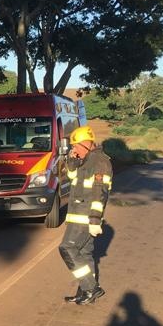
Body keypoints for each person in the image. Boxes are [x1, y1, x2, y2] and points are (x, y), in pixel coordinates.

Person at [60, 125, 113, 305]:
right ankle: (85, 293)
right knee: (84, 253)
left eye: (75, 146)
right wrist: (72, 160)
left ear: (86, 144)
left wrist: (95, 220)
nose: (74, 149)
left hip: (86, 217)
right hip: (77, 214)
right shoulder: (85, 160)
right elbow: (72, 177)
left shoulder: (100, 162)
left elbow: (100, 192)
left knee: (67, 248)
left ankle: (91, 288)